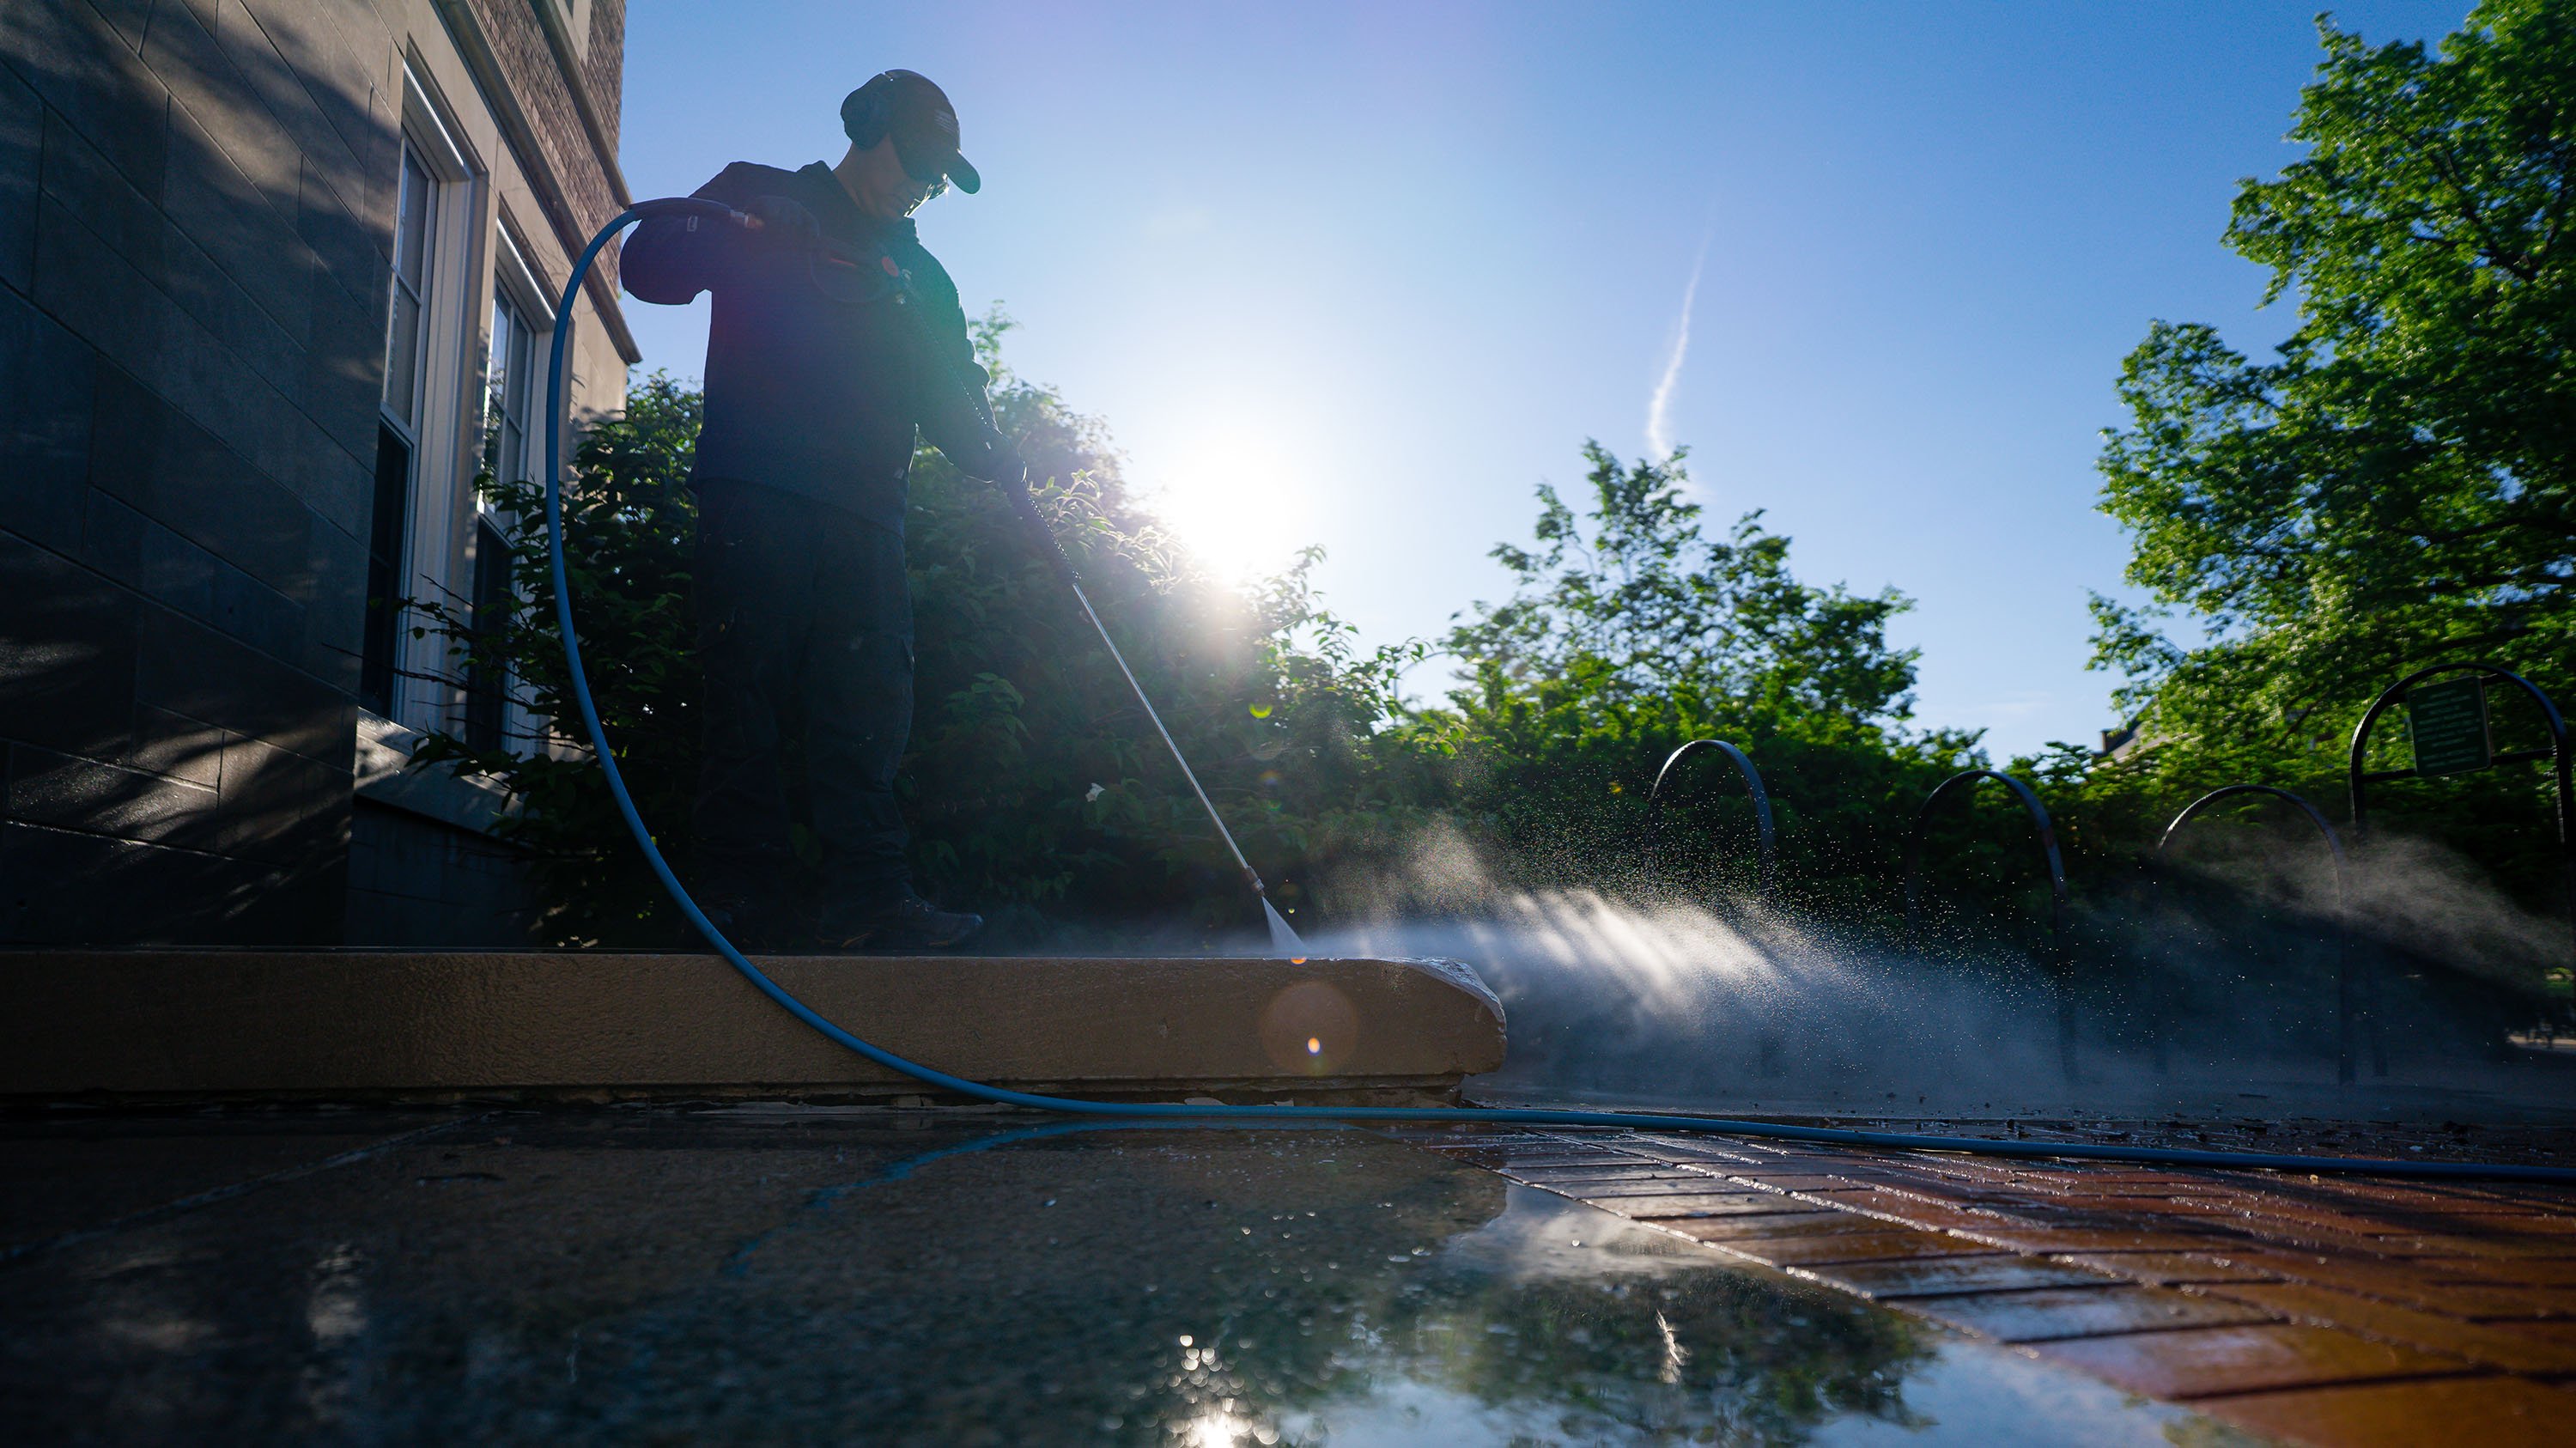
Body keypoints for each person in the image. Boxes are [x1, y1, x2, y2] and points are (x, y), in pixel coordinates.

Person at [623, 70, 1012, 951]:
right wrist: (733, 232)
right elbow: (642, 267)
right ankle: (736, 902)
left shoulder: (923, 277)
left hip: (869, 519)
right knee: (744, 701)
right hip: (753, 493)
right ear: (865, 124)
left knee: (867, 716)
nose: (928, 184)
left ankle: (872, 907)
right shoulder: (757, 198)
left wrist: (1003, 452)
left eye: (944, 174)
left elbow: (963, 411)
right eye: (919, 160)